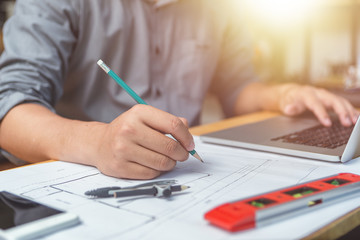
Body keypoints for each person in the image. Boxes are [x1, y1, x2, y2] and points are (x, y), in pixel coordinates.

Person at [0, 0, 358, 179]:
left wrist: (282, 96)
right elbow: (9, 108)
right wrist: (98, 142)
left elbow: (237, 89)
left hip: (187, 174)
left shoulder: (219, 8)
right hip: (83, 179)